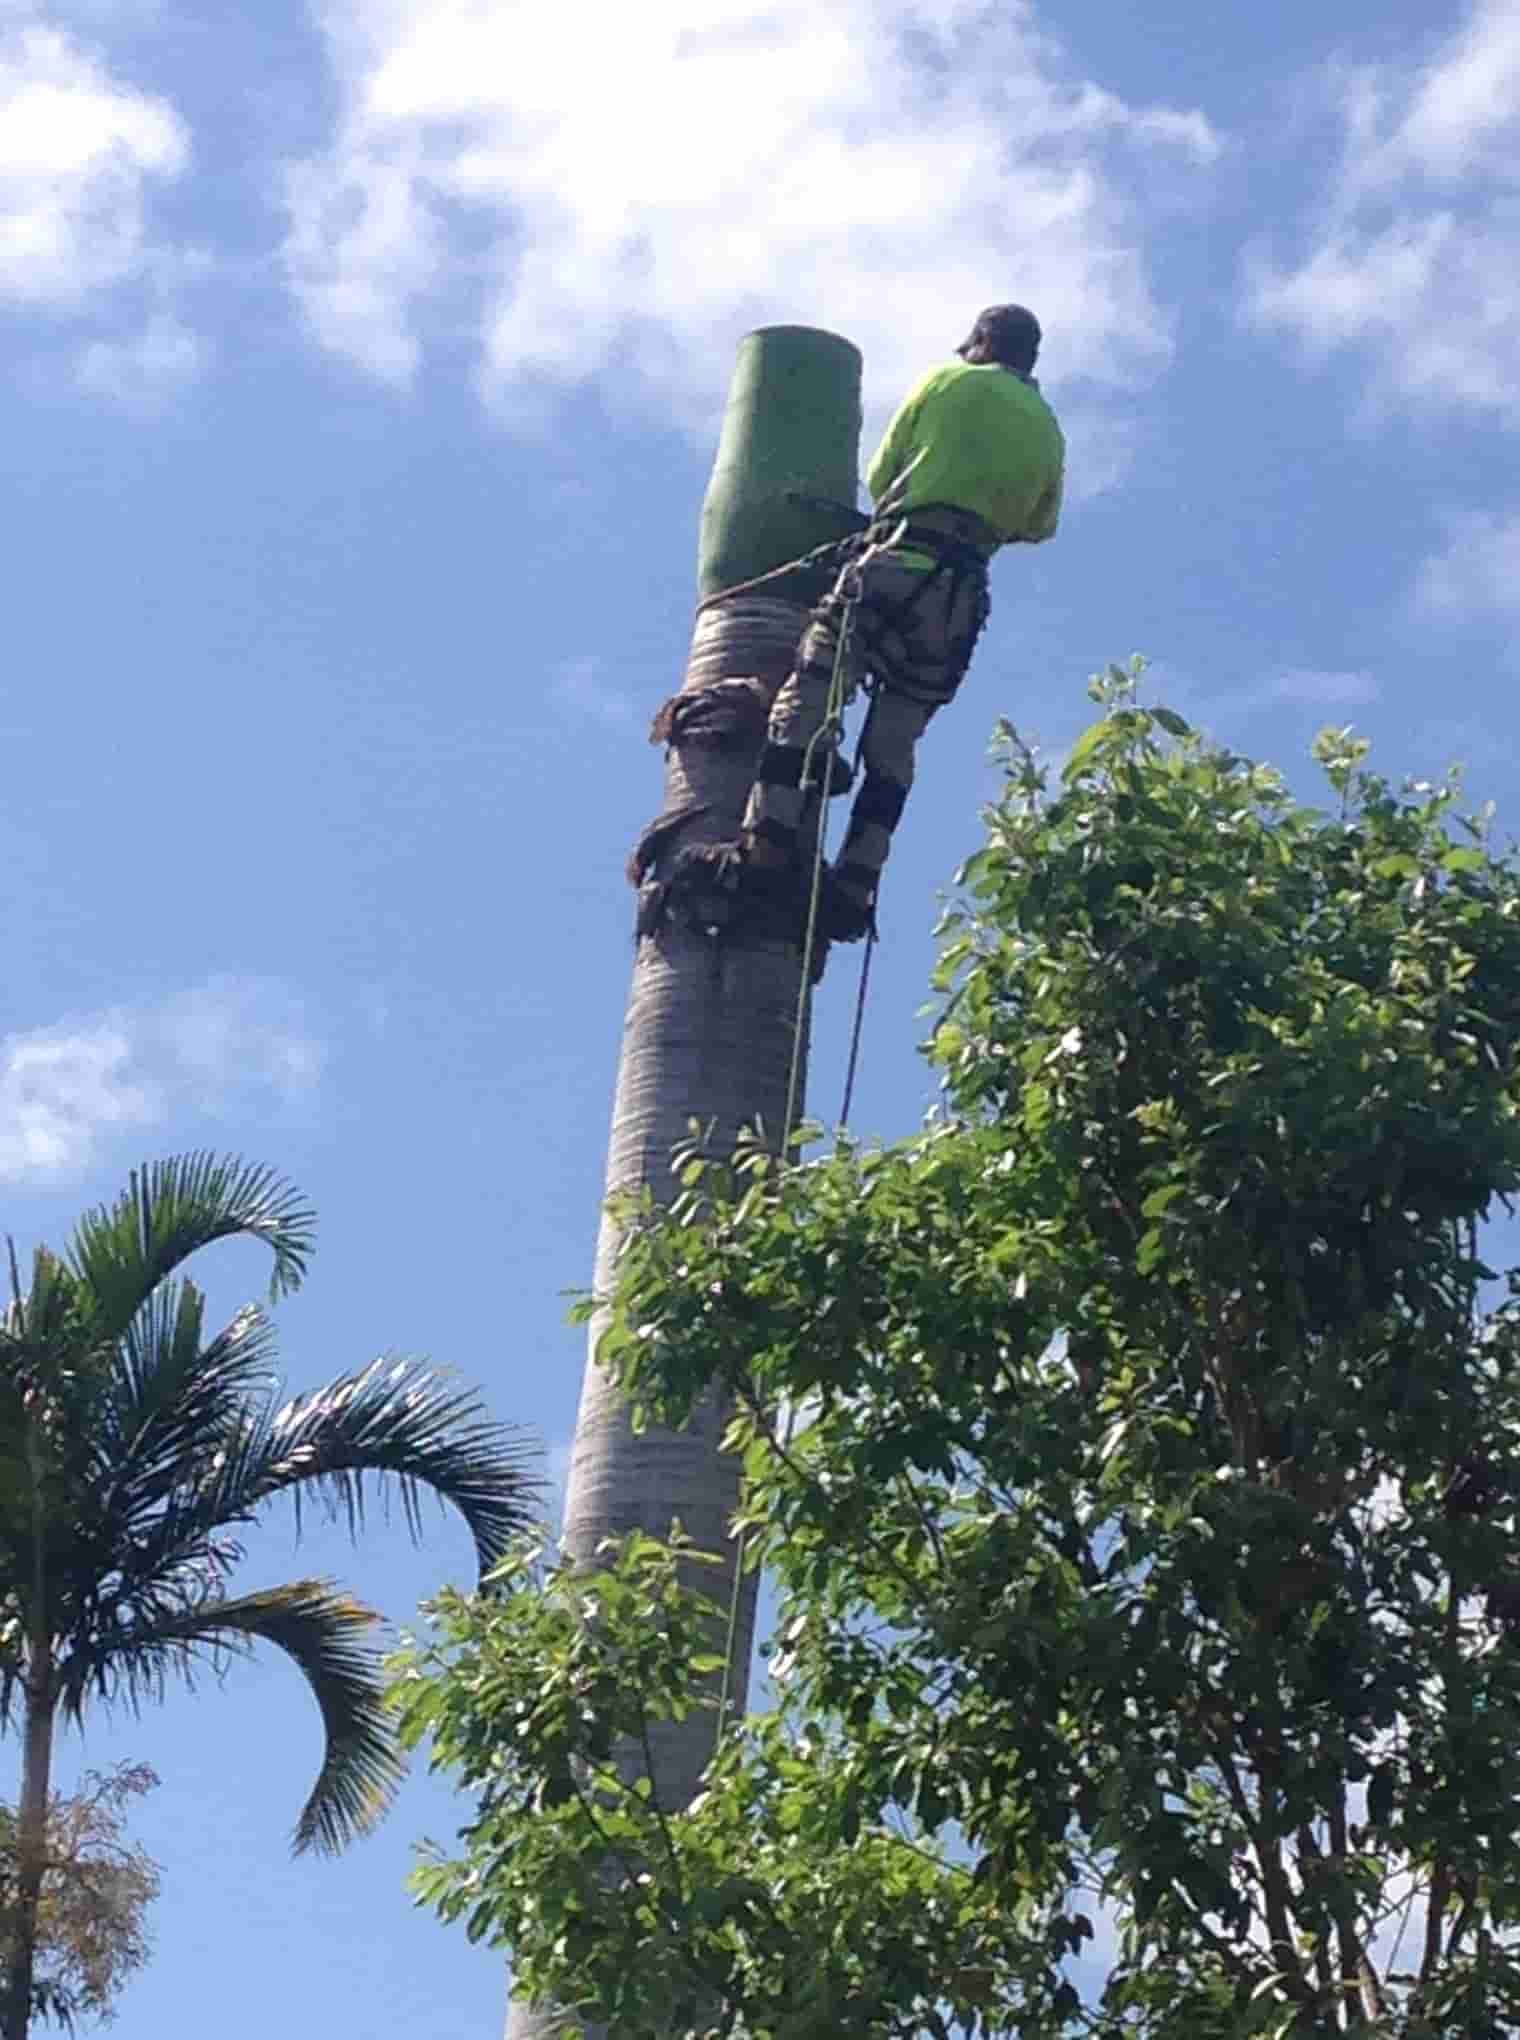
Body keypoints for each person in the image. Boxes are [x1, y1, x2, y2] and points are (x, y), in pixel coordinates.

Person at [739, 303, 1065, 942]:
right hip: (959, 593)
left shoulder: (944, 382)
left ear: (979, 341)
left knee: (813, 685)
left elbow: (881, 474)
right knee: (894, 742)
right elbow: (1039, 525)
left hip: (896, 560)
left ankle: (771, 835)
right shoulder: (1049, 428)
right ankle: (857, 880)